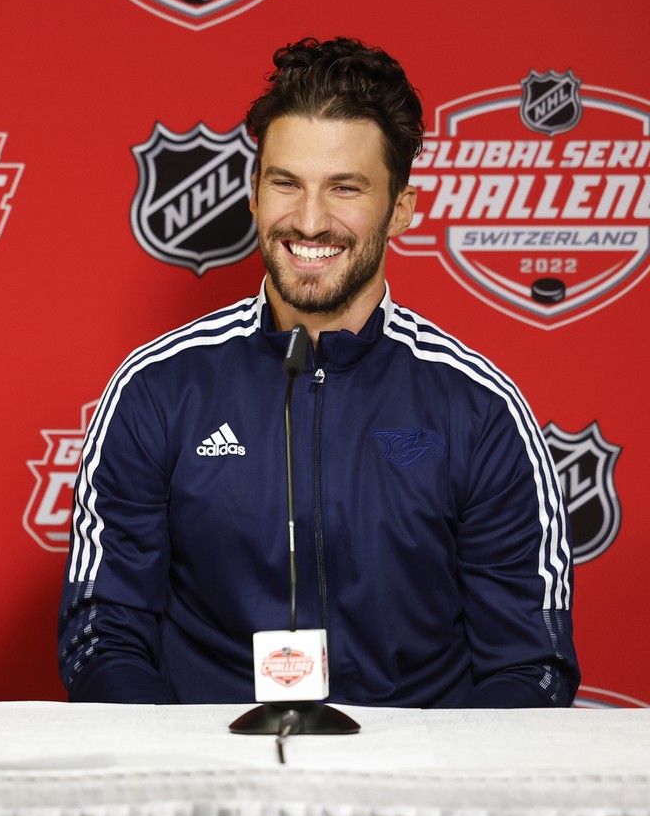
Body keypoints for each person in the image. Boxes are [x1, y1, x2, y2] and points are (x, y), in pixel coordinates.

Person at [58, 38, 577, 708]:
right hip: (210, 789)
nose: (307, 221)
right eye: (286, 183)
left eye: (345, 188)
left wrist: (424, 797)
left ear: (401, 209)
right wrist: (188, 780)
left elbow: (530, 664)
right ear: (252, 194)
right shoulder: (159, 388)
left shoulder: (477, 409)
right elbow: (104, 638)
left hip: (414, 798)